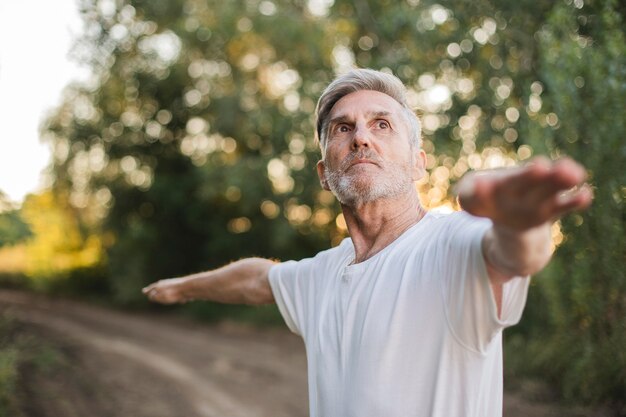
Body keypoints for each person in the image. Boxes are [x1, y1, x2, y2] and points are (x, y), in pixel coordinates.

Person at [143, 68, 592, 417]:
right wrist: (182, 287)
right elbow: (256, 280)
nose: (360, 136)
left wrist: (522, 223)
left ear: (418, 164)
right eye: (342, 128)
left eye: (382, 125)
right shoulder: (322, 273)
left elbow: (513, 255)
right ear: (324, 174)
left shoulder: (453, 245)